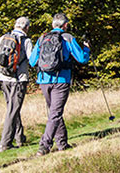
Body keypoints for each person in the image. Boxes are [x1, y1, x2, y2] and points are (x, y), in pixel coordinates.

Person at [29, 12, 90, 156]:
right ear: (65, 25)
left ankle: (62, 144)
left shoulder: (42, 38)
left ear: (52, 25)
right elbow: (82, 59)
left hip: (44, 79)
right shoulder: (68, 38)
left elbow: (32, 62)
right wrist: (87, 48)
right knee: (55, 114)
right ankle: (44, 146)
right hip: (61, 80)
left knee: (54, 112)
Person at [0, 16, 33, 152]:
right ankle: (5, 143)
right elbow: (32, 61)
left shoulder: (4, 38)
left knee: (12, 108)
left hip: (3, 77)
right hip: (18, 79)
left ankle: (19, 138)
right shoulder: (26, 41)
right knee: (13, 110)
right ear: (26, 27)